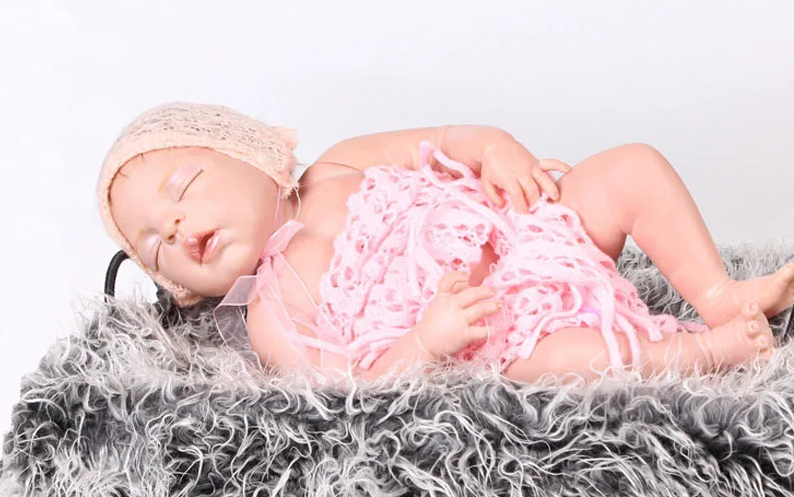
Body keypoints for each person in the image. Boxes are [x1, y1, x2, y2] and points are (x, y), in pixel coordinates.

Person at [97, 102, 794, 386]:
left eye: (184, 186)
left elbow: (448, 140)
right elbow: (350, 388)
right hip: (497, 332)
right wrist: (425, 342)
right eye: (155, 246)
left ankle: (719, 293)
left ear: (248, 154)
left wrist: (502, 155)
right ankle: (703, 352)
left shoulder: (337, 164)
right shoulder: (271, 309)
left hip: (536, 232)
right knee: (549, 366)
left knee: (630, 169)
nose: (175, 229)